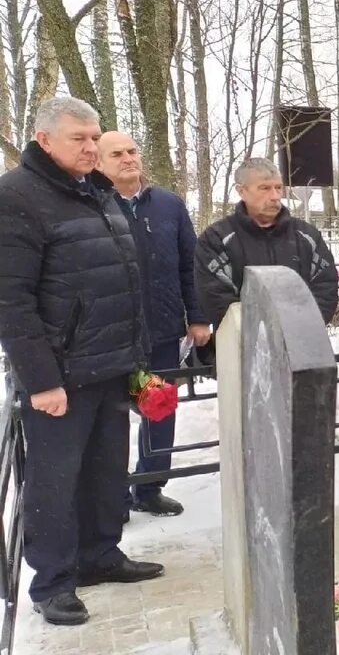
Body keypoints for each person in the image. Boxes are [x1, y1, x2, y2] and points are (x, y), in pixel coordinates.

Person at [0, 97, 164, 626]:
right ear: (44, 140)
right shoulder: (18, 197)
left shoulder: (95, 192)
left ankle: (100, 555)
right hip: (60, 377)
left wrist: (136, 359)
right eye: (80, 139)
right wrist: (41, 379)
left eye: (96, 137)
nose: (93, 147)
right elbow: (11, 297)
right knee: (55, 481)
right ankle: (52, 581)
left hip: (111, 365)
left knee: (104, 472)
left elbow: (122, 279)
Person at [98, 130, 210, 518]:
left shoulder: (168, 204)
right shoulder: (92, 204)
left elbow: (189, 263)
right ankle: (113, 497)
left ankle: (150, 487)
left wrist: (197, 316)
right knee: (111, 420)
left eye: (132, 151)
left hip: (162, 330)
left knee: (159, 411)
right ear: (98, 162)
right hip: (110, 336)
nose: (128, 158)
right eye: (117, 154)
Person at [195, 158, 339, 329]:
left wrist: (302, 328)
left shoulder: (306, 236)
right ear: (241, 191)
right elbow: (215, 298)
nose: (275, 196)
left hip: (303, 341)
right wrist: (262, 333)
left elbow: (325, 287)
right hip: (241, 345)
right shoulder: (217, 239)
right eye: (264, 188)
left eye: (278, 188)